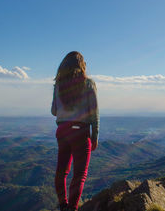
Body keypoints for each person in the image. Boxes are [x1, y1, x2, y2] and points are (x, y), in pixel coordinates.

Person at [51, 51, 99, 211]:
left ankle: (63, 205)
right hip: (80, 131)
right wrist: (95, 136)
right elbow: (94, 112)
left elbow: (54, 111)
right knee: (79, 175)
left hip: (62, 130)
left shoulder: (58, 85)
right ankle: (72, 208)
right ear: (82, 65)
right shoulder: (88, 84)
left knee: (62, 171)